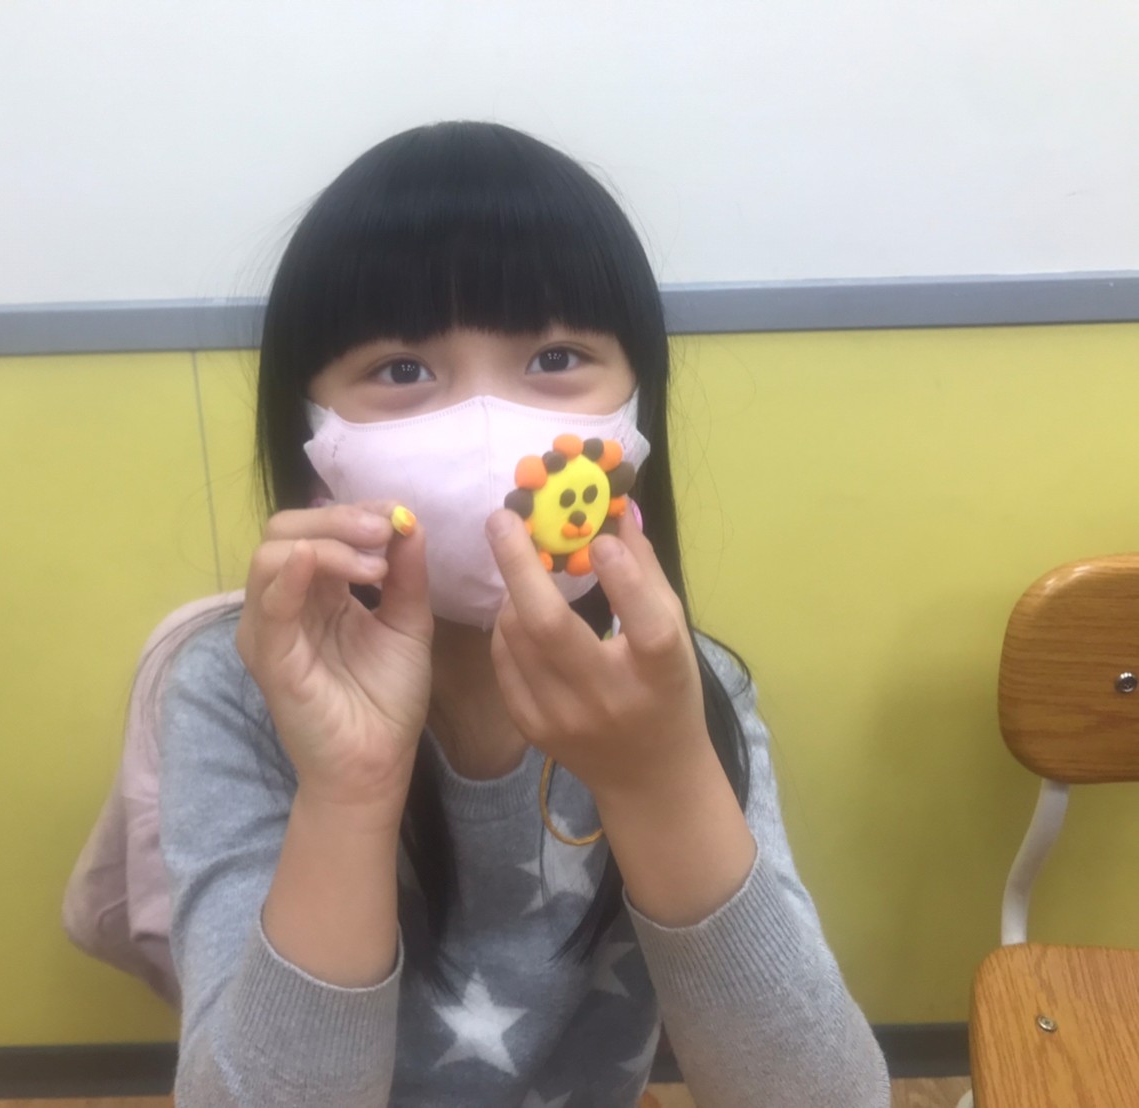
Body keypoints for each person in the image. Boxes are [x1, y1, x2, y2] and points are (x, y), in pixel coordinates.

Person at [128, 121, 888, 1106]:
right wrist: (348, 793)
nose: (488, 434)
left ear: (636, 409)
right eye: (403, 370)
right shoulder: (233, 696)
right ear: (311, 432)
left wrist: (660, 778)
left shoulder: (684, 691)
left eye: (556, 356)